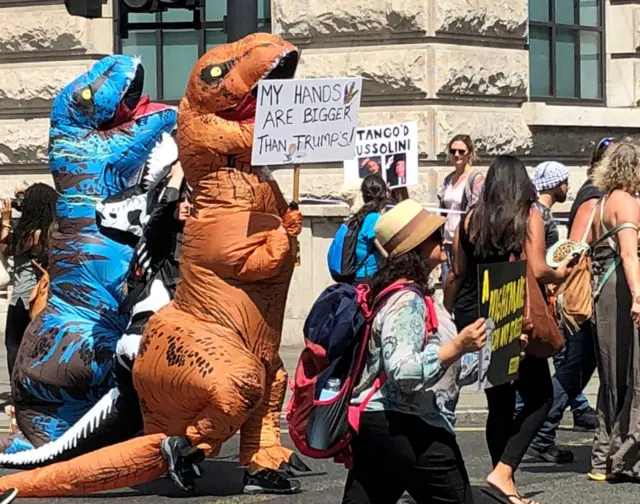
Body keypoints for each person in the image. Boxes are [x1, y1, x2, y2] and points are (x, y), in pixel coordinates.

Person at [444, 155, 574, 504]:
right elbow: (537, 268)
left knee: (498, 401)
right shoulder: (527, 215)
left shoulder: (471, 218)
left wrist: (448, 309)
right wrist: (560, 273)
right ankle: (504, 472)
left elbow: (457, 271)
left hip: (478, 311)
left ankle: (504, 479)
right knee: (540, 397)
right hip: (513, 309)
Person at [342, 199, 488, 504]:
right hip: (408, 425)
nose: (444, 240)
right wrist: (457, 345)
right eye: (435, 236)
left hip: (377, 424)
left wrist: (485, 353)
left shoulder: (410, 294)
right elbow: (404, 372)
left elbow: (445, 367)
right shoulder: (406, 300)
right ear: (416, 248)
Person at [524, 161, 598, 464]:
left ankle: (538, 428)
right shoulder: (543, 213)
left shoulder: (545, 210)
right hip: (567, 300)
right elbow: (563, 254)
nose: (567, 186)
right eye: (563, 181)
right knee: (572, 366)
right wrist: (558, 278)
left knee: (572, 364)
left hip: (560, 299)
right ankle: (539, 432)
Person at [587, 141, 640, 482]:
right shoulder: (627, 202)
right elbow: (629, 255)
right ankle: (627, 457)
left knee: (611, 375)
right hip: (620, 289)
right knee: (632, 373)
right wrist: (638, 297)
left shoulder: (601, 202)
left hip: (601, 291)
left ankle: (603, 457)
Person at [0, 183, 57, 377]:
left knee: (15, 344)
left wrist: (6, 221)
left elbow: (7, 248)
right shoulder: (52, 231)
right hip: (46, 297)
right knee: (40, 346)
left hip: (25, 298)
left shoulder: (32, 235)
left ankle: (19, 393)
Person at [438, 135, 484, 283]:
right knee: (447, 286)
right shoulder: (447, 179)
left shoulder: (475, 179)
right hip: (447, 243)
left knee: (463, 286)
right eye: (453, 151)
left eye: (461, 151)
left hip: (465, 245)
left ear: (469, 153)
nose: (456, 155)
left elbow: (477, 211)